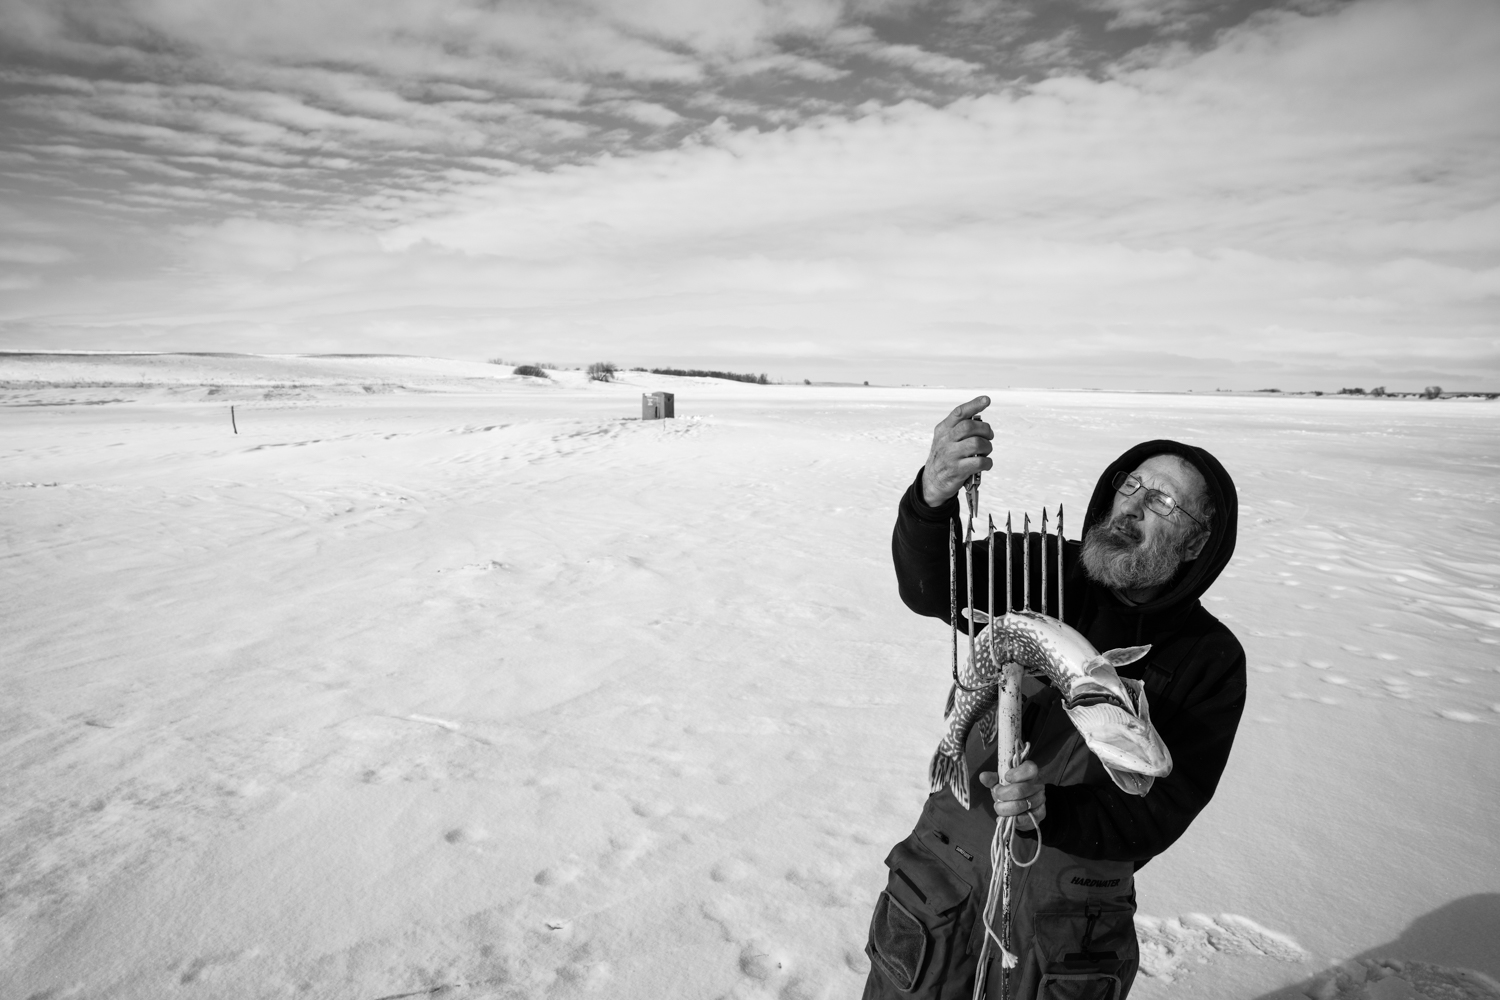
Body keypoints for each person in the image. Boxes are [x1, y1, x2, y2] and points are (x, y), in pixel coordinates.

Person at [862, 396, 1246, 1000]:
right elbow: (931, 585)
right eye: (1132, 484)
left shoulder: (1209, 657)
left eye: (1164, 502)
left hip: (1067, 923)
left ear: (1197, 544)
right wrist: (931, 498)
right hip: (941, 881)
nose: (1134, 505)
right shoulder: (1042, 565)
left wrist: (1053, 813)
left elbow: (1166, 803)